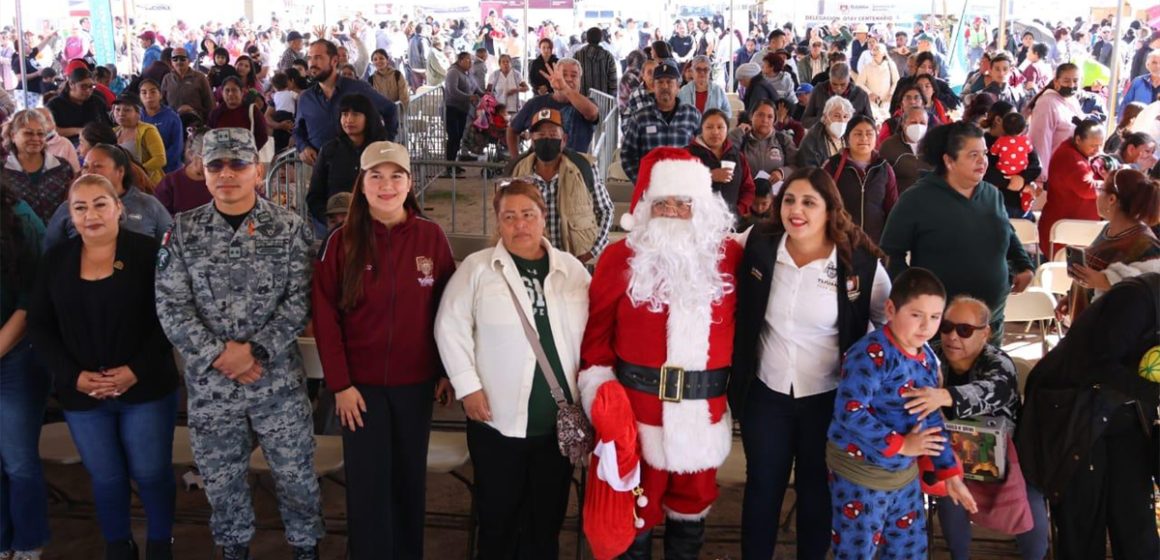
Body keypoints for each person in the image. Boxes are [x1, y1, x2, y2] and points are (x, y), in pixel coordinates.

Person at [155, 128, 323, 560]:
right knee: (220, 478)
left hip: (276, 382)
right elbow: (171, 305)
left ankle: (305, 547)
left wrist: (255, 350)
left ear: (258, 171)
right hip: (213, 387)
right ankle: (233, 549)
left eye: (238, 164)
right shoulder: (183, 231)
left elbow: (302, 299)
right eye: (216, 166)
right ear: (203, 174)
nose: (226, 174)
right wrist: (219, 354)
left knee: (296, 473)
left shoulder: (289, 228)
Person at [577, 147, 741, 559]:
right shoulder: (619, 260)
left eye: (683, 203)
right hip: (635, 418)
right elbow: (595, 344)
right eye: (661, 202)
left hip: (703, 415)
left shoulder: (730, 259)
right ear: (646, 207)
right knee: (634, 518)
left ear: (701, 207)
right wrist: (603, 402)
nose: (671, 211)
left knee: (691, 516)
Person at [730, 166, 890, 560]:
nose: (795, 210)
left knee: (817, 492)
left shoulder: (859, 262)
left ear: (829, 209)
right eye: (789, 200)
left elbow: (887, 318)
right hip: (766, 395)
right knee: (762, 488)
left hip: (828, 399)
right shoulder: (760, 242)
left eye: (808, 202)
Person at [310, 140, 454, 559]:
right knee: (369, 487)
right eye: (376, 176)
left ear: (410, 184)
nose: (386, 185)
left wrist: (445, 371)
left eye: (396, 176)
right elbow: (324, 319)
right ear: (362, 183)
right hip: (360, 391)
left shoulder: (432, 238)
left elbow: (449, 312)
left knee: (410, 483)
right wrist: (340, 384)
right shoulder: (340, 243)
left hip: (416, 387)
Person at [433, 180, 588, 559]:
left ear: (543, 217)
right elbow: (449, 327)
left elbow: (594, 330)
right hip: (496, 421)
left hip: (557, 424)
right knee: (498, 517)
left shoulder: (571, 270)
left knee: (546, 518)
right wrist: (468, 387)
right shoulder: (478, 268)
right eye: (510, 217)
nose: (520, 225)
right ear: (498, 223)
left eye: (528, 215)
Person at [28, 173, 179, 560]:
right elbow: (40, 326)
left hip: (144, 388)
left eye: (100, 204)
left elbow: (171, 320)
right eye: (80, 207)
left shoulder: (149, 253)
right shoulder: (56, 260)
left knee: (150, 473)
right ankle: (118, 544)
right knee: (107, 477)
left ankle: (161, 543)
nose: (90, 214)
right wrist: (73, 376)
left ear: (119, 209)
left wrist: (135, 371)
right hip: (83, 393)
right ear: (70, 216)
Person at [826, 268, 977, 558]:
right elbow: (850, 411)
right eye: (916, 315)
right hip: (860, 476)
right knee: (857, 551)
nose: (926, 326)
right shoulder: (870, 354)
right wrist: (903, 444)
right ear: (891, 309)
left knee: (907, 551)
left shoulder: (929, 359)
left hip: (903, 478)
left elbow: (931, 418)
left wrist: (950, 474)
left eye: (935, 317)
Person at [1017, 273, 1159, 560]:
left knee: (1136, 525)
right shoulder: (1135, 299)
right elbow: (1096, 364)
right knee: (1082, 528)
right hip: (1072, 412)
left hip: (1122, 410)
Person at [905, 296, 1049, 560]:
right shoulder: (931, 354)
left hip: (1008, 455)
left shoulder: (998, 361)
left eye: (964, 330)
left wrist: (943, 396)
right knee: (947, 488)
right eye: (947, 327)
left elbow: (995, 388)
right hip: (950, 453)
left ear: (986, 333)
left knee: (1031, 497)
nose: (952, 337)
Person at [880, 122, 1034, 342]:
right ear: (949, 161)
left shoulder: (992, 194)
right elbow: (890, 254)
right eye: (973, 155)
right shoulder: (917, 199)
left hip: (990, 323)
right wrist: (915, 299)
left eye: (984, 153)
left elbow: (1007, 233)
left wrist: (1024, 265)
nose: (983, 161)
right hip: (940, 330)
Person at [0, 184, 49, 560]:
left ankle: (28, 544)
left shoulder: (19, 216)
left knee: (18, 461)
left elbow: (33, 295)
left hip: (16, 356)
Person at [507, 108, 612, 264]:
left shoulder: (584, 167)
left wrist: (592, 251)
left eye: (553, 134)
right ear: (532, 140)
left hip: (573, 260)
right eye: (541, 135)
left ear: (564, 140)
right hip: (529, 259)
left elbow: (605, 210)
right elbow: (504, 215)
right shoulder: (516, 171)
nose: (547, 139)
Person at [1059, 168, 1160, 322]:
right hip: (1088, 327)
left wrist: (1103, 280)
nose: (1098, 195)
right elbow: (1092, 274)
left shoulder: (1145, 243)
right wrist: (1072, 295)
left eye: (1101, 189)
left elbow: (1148, 290)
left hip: (1113, 334)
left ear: (1112, 199)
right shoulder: (1108, 229)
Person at [42, 144, 172, 250]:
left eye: (98, 166)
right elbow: (50, 251)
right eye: (85, 167)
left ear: (120, 171)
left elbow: (172, 246)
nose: (89, 172)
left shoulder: (148, 204)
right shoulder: (69, 207)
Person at [295, 39, 398, 166]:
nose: (312, 63)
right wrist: (303, 146)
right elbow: (298, 130)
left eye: (318, 58)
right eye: (310, 58)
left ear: (334, 61)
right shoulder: (305, 98)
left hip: (358, 168)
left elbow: (390, 109)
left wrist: (384, 145)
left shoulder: (358, 89)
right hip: (320, 170)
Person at [306, 94, 387, 225]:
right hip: (338, 226)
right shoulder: (329, 150)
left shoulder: (382, 150)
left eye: (355, 114)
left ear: (369, 118)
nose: (348, 120)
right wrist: (329, 220)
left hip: (376, 224)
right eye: (344, 114)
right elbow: (315, 195)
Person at [821, 114, 898, 243]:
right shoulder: (832, 165)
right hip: (840, 241)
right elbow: (821, 203)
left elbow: (892, 208)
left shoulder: (884, 168)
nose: (864, 138)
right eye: (858, 134)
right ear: (847, 138)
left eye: (869, 134)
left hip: (875, 243)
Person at [619, 63, 701, 184]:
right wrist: (641, 181)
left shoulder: (692, 114)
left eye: (669, 82)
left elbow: (704, 151)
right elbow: (627, 154)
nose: (665, 86)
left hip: (684, 187)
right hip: (651, 189)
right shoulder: (640, 117)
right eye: (660, 82)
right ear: (654, 87)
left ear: (678, 87)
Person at [1038, 117, 1106, 256]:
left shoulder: (1080, 152)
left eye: (1100, 145)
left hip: (1076, 233)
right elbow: (1087, 189)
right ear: (1078, 140)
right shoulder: (1069, 156)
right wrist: (1110, 185)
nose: (1097, 150)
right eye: (1093, 146)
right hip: (1064, 234)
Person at [507, 59, 600, 157]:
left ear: (580, 80)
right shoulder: (535, 103)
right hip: (538, 168)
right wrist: (516, 160)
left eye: (574, 75)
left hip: (574, 169)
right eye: (563, 75)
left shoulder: (587, 103)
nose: (568, 79)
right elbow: (512, 130)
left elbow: (592, 113)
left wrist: (565, 88)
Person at [1, 109, 75, 223]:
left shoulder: (62, 168)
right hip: (16, 238)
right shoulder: (3, 171)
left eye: (40, 134)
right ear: (13, 135)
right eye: (28, 133)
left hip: (59, 237)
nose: (35, 139)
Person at [686, 108, 755, 220]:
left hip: (731, 223)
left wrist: (739, 210)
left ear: (727, 129)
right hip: (697, 223)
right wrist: (708, 176)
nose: (715, 132)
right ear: (701, 129)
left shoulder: (737, 156)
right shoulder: (688, 154)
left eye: (720, 127)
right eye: (709, 127)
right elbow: (678, 185)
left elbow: (748, 188)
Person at [982, 106, 1042, 221]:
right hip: (995, 205)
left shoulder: (1023, 141)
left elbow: (1036, 165)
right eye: (1012, 118)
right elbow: (985, 170)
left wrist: (1022, 178)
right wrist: (1009, 182)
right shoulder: (984, 142)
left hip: (1021, 204)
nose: (1016, 122)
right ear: (998, 120)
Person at [1027, 63, 1084, 184]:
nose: (1072, 85)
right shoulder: (1047, 103)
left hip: (1070, 169)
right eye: (1066, 81)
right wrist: (1041, 178)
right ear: (1056, 82)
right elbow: (1040, 141)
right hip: (1053, 174)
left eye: (1075, 81)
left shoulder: (1073, 100)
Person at [729, 100, 796, 184]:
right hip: (745, 192)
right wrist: (737, 133)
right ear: (751, 116)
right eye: (760, 115)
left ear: (774, 120)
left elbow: (795, 166)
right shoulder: (741, 138)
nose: (765, 120)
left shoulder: (783, 140)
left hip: (775, 194)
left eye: (770, 117)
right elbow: (727, 158)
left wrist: (782, 173)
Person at [46, 67, 112, 145]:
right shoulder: (55, 104)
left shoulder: (97, 101)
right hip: (64, 145)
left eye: (91, 86)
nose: (88, 90)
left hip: (95, 145)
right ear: (71, 84)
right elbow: (49, 130)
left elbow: (106, 125)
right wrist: (78, 130)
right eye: (83, 86)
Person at [112, 94, 167, 184]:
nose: (121, 114)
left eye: (127, 110)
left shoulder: (147, 130)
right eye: (117, 109)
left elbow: (160, 159)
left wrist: (136, 171)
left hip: (146, 183)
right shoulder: (113, 132)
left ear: (137, 113)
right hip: (122, 182)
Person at [154, 129, 211, 215]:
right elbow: (159, 218)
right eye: (207, 157)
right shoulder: (171, 182)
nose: (212, 163)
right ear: (191, 154)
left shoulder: (224, 181)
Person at [801, 62, 873, 128]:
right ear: (830, 78)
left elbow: (870, 122)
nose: (838, 88)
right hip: (822, 137)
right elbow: (805, 121)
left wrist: (852, 123)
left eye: (843, 84)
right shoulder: (819, 90)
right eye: (834, 84)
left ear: (849, 79)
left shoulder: (861, 95)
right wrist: (823, 120)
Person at [880, 106, 931, 194]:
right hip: (901, 202)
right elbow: (881, 180)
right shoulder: (889, 146)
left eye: (922, 123)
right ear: (903, 124)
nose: (918, 126)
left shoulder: (934, 145)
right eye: (913, 122)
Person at [138, 79, 185, 175]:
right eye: (144, 93)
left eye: (153, 92)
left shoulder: (172, 117)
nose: (148, 96)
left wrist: (157, 165)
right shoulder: (137, 117)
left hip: (169, 170)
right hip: (144, 171)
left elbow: (177, 147)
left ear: (160, 95)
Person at [443, 52, 479, 174]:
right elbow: (452, 91)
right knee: (453, 137)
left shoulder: (466, 73)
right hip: (452, 108)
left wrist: (483, 93)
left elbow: (474, 87)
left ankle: (454, 164)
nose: (470, 63)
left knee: (458, 137)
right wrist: (469, 97)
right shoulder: (453, 72)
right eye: (468, 60)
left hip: (463, 109)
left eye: (471, 61)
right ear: (460, 60)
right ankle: (449, 166)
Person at [795, 95, 853, 169]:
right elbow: (809, 170)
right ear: (826, 117)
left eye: (845, 117)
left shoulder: (851, 137)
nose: (841, 120)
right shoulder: (812, 139)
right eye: (836, 116)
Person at [160, 47, 215, 122]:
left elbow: (209, 103)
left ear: (189, 61)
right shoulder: (167, 79)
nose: (179, 62)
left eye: (182, 59)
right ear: (171, 62)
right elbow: (162, 103)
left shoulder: (200, 77)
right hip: (173, 122)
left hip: (196, 123)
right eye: (175, 59)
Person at [856, 43, 899, 121]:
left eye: (877, 49)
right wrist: (869, 93)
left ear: (883, 53)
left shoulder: (891, 65)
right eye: (873, 49)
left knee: (886, 119)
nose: (874, 51)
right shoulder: (867, 67)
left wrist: (891, 93)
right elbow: (859, 83)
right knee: (874, 119)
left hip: (887, 100)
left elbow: (896, 81)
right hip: (872, 102)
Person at [33, 108, 81, 175]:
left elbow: (76, 172)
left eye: (49, 119)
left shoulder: (65, 144)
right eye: (42, 120)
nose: (47, 122)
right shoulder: (30, 144)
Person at [576, 27, 617, 96]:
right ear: (601, 38)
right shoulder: (608, 56)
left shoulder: (578, 55)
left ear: (587, 38)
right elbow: (613, 81)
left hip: (582, 99)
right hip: (603, 99)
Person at [1118, 50, 1160, 116]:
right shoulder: (1138, 82)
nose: (1158, 66)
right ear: (1147, 65)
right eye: (1154, 62)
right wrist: (1122, 124)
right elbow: (1126, 104)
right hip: (1139, 123)